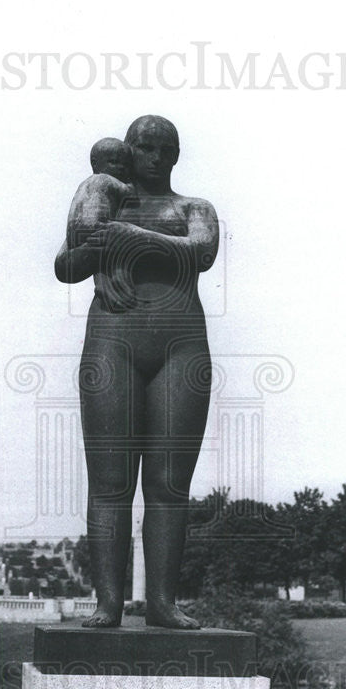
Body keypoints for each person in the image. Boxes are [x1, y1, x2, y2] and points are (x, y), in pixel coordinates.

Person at [55, 116, 219, 628]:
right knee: (110, 483)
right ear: (127, 149)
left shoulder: (194, 207)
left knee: (170, 485)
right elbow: (66, 265)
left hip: (180, 347)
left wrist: (127, 237)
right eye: (142, 146)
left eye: (162, 148)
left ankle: (162, 602)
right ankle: (108, 602)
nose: (151, 156)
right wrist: (102, 240)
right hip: (113, 342)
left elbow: (202, 252)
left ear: (175, 156)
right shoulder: (104, 199)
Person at [55, 137, 137, 312]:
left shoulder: (84, 184)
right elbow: (128, 193)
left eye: (125, 164)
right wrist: (131, 184)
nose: (121, 168)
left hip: (78, 229)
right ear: (95, 163)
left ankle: (104, 284)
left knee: (101, 262)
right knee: (111, 258)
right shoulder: (105, 180)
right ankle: (114, 285)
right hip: (96, 225)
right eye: (114, 162)